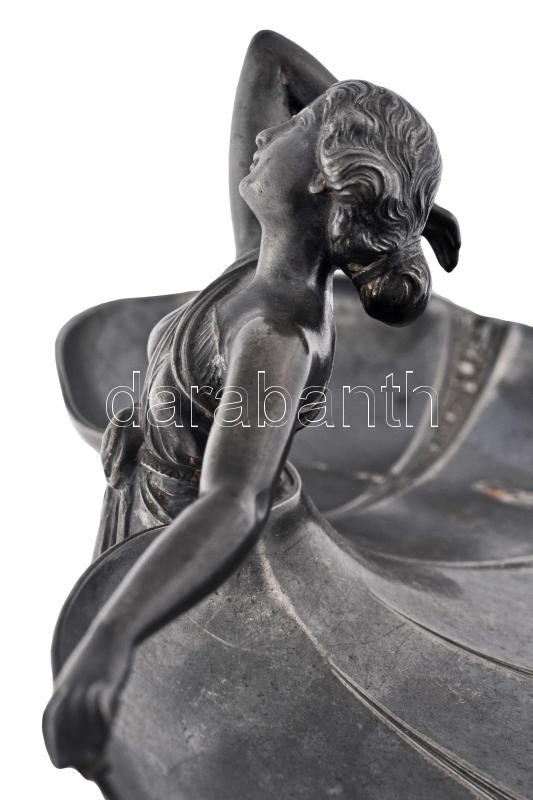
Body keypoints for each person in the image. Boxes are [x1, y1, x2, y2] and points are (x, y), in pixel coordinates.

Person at [43, 30, 460, 778]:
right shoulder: (258, 268)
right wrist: (407, 204)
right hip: (149, 525)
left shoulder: (277, 334)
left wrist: (112, 639)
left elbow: (234, 501)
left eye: (299, 127)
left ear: (324, 180)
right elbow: (269, 58)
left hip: (196, 570)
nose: (269, 132)